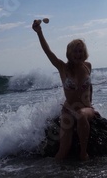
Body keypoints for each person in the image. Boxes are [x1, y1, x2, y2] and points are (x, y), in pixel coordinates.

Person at [32, 19, 96, 161]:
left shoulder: (88, 66)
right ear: (69, 53)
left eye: (80, 51)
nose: (78, 54)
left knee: (81, 113)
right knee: (62, 152)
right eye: (75, 51)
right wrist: (39, 33)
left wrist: (91, 104)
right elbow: (48, 51)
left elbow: (90, 86)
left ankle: (83, 153)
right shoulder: (62, 67)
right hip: (68, 110)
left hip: (85, 109)